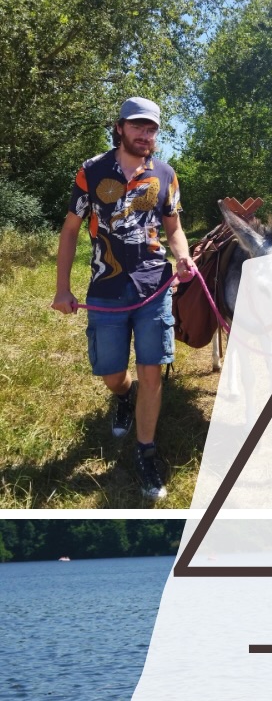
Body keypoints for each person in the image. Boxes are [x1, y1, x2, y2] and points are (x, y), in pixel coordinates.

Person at [51, 97, 194, 501]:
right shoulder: (92, 172)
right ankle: (122, 396)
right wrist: (63, 288)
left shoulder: (165, 174)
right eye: (137, 127)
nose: (145, 135)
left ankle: (146, 451)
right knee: (110, 372)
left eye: (151, 129)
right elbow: (69, 231)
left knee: (152, 372)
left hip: (154, 288)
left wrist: (182, 256)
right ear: (120, 127)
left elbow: (175, 227)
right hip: (107, 289)